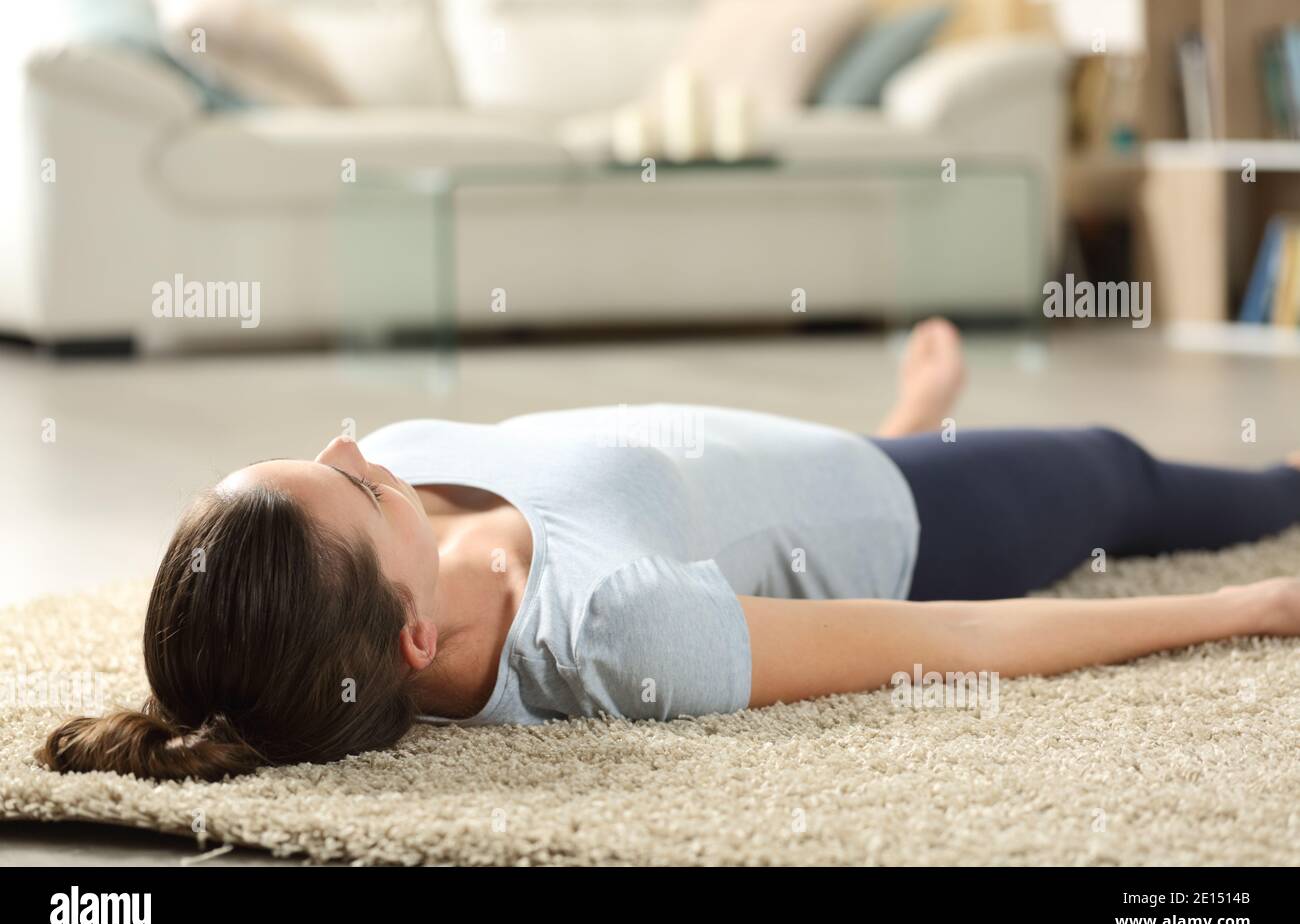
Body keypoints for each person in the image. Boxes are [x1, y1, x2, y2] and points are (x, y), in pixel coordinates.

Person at [38, 319, 1300, 781]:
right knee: (1118, 471)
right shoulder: (622, 632)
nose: (356, 441)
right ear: (412, 638)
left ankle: (896, 413)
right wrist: (1242, 606)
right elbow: (952, 635)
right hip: (897, 516)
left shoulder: (352, 581)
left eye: (322, 458)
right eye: (354, 487)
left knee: (760, 485)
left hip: (747, 466)